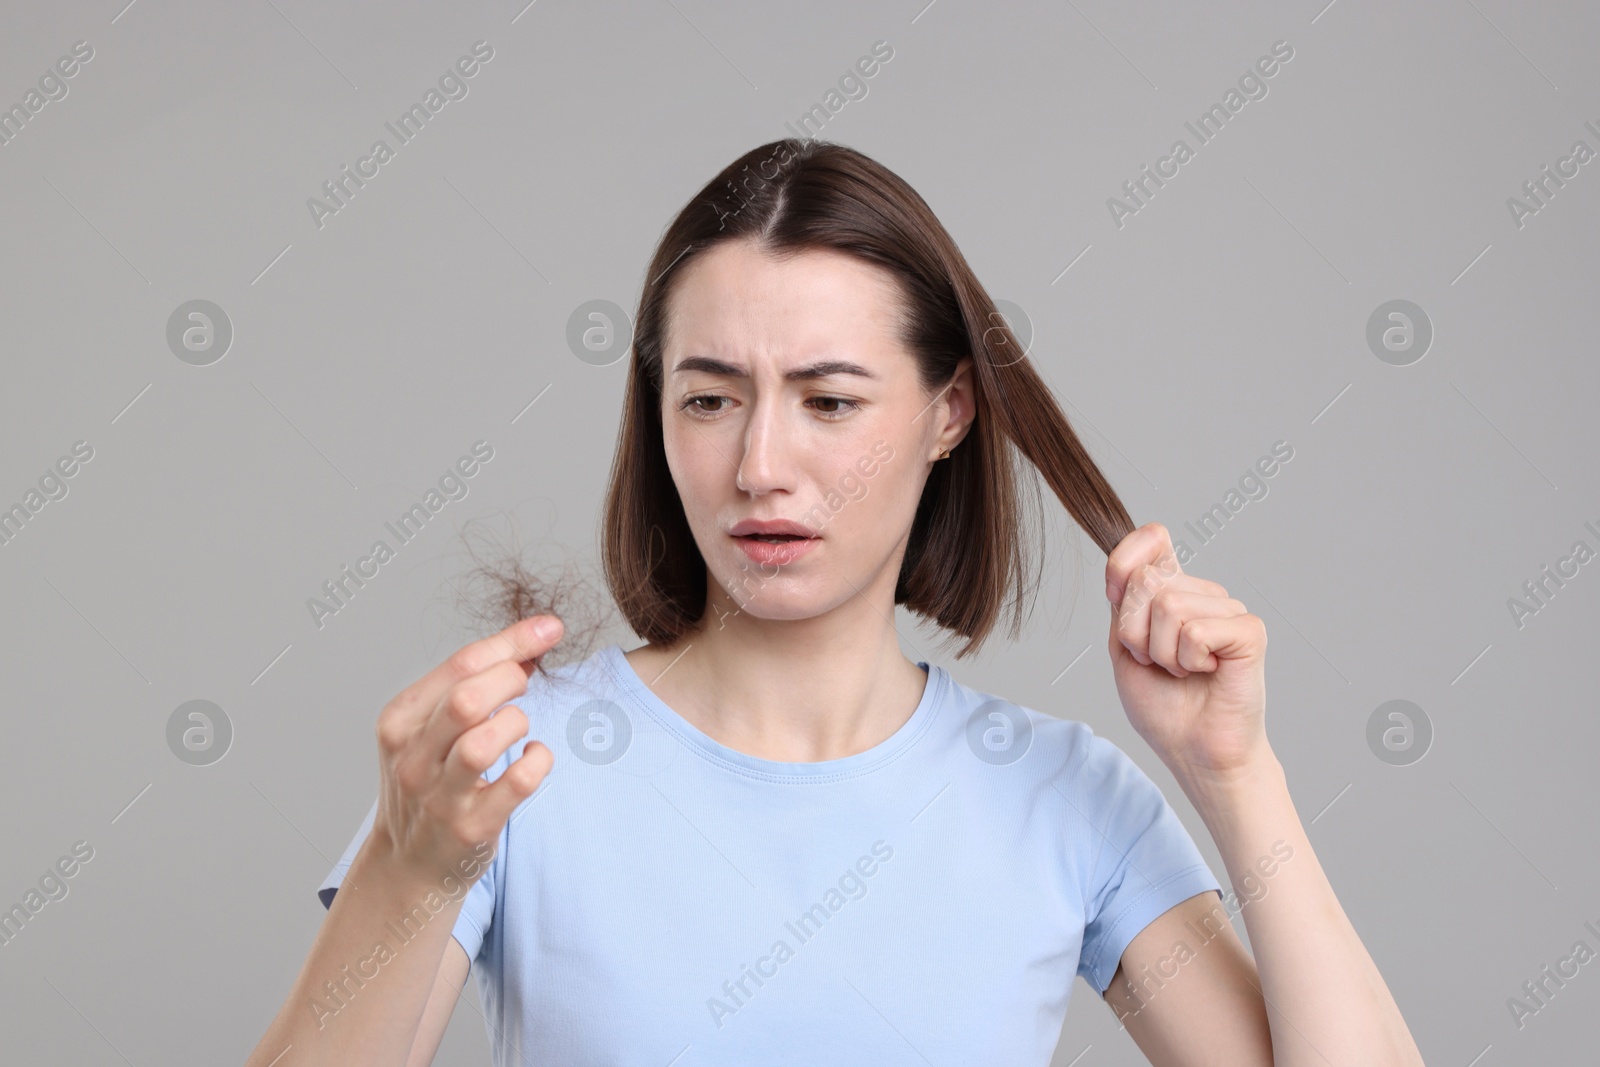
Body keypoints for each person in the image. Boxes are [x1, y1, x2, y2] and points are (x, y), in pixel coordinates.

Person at [246, 139, 1424, 1066]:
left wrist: (1237, 774)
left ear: (948, 413)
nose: (761, 463)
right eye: (709, 400)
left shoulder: (1066, 801)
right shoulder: (508, 768)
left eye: (829, 401)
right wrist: (410, 870)